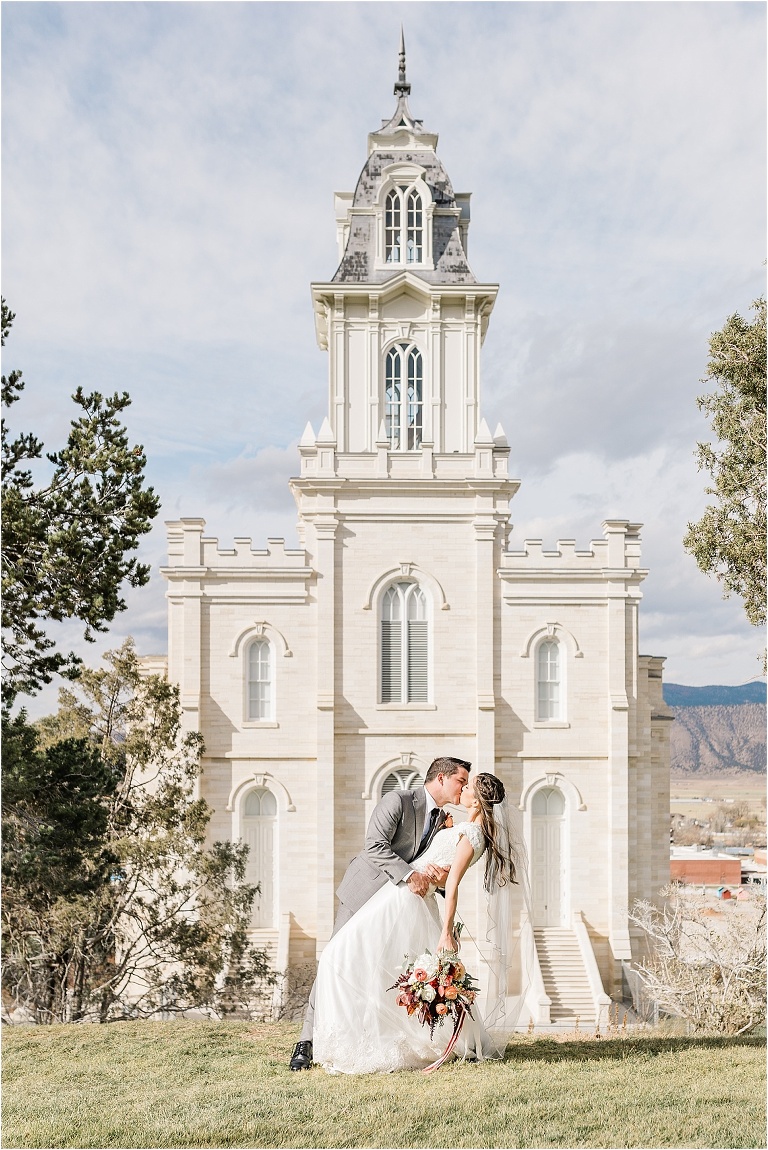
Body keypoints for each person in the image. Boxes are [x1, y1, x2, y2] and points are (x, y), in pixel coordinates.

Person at [311, 772, 518, 1074]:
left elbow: (454, 884)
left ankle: (367, 1040)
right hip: (401, 892)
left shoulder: (473, 835)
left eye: (468, 787)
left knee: (338, 956)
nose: (463, 789)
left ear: (478, 800)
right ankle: (360, 1034)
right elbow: (442, 869)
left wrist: (447, 931)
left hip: (407, 899)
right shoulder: (464, 828)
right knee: (354, 958)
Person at [288, 756, 471, 1071]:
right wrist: (410, 876)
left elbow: (428, 863)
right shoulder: (398, 800)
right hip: (363, 894)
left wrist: (435, 882)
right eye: (461, 781)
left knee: (375, 971)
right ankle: (306, 1041)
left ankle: (360, 1037)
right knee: (335, 959)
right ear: (441, 778)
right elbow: (374, 846)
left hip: (395, 909)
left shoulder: (444, 820)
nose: (464, 788)